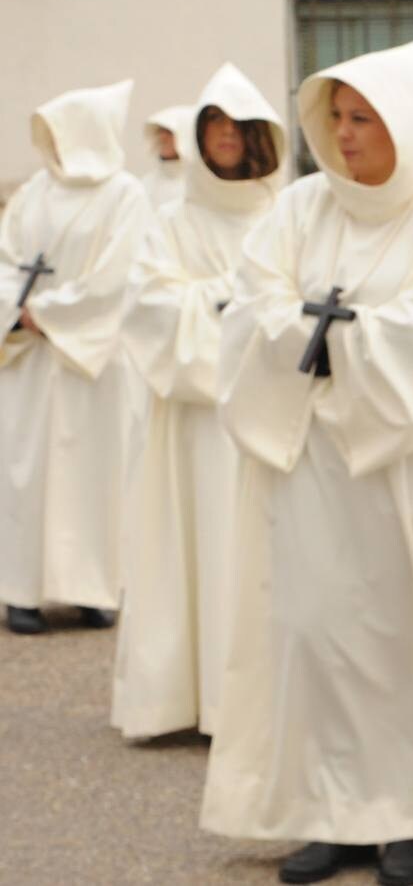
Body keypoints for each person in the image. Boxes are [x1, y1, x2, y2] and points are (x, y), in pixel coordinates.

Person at [199, 36, 413, 886]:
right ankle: (333, 815)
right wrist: (329, 345)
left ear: (405, 124)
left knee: (401, 636)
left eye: (365, 118)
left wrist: (325, 346)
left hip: (404, 469)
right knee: (314, 634)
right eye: (337, 117)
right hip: (306, 468)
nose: (348, 134)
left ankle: (412, 816)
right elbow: (250, 307)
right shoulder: (297, 208)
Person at [112, 63, 284, 739]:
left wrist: (242, 315)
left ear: (256, 137)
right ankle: (191, 698)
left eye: (233, 126)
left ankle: (249, 699)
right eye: (210, 125)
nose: (222, 137)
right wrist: (219, 304)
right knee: (195, 549)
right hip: (194, 422)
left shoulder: (283, 214)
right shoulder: (172, 219)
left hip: (262, 412)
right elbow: (147, 305)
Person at [0, 79, 152, 635]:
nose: (55, 144)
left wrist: (52, 313)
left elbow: (120, 275)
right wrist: (17, 311)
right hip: (32, 361)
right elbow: (7, 259)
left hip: (92, 361)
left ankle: (94, 589)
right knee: (26, 472)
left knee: (95, 472)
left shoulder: (126, 195)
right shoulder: (33, 194)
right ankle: (22, 590)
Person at [140, 105, 191, 209]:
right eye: (160, 131)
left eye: (169, 132)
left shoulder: (197, 184)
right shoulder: (145, 185)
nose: (162, 137)